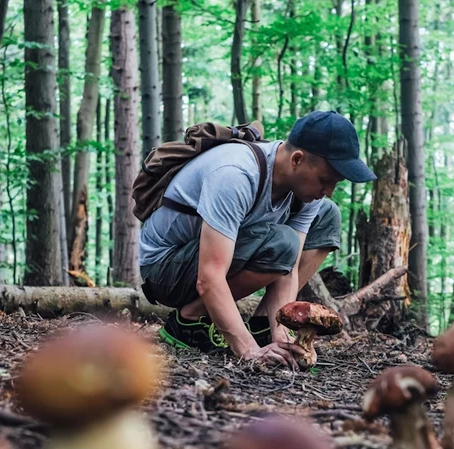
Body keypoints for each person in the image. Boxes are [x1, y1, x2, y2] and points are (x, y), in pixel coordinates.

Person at [139, 111, 376, 368]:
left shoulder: (302, 188)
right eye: (325, 180)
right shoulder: (236, 175)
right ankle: (189, 321)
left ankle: (263, 324)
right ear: (297, 159)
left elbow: (289, 269)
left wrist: (282, 333)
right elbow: (209, 278)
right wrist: (249, 350)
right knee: (282, 241)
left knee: (328, 214)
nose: (328, 190)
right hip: (165, 270)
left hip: (210, 260)